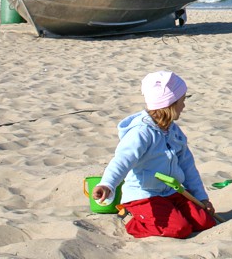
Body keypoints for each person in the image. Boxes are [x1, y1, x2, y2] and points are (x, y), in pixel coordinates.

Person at [92, 71, 217, 238]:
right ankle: (129, 218)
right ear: (171, 104)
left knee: (205, 221)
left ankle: (174, 212)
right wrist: (107, 184)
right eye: (182, 101)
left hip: (172, 192)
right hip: (145, 195)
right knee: (179, 229)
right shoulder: (141, 133)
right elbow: (122, 160)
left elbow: (188, 166)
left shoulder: (174, 131)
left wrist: (201, 198)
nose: (184, 106)